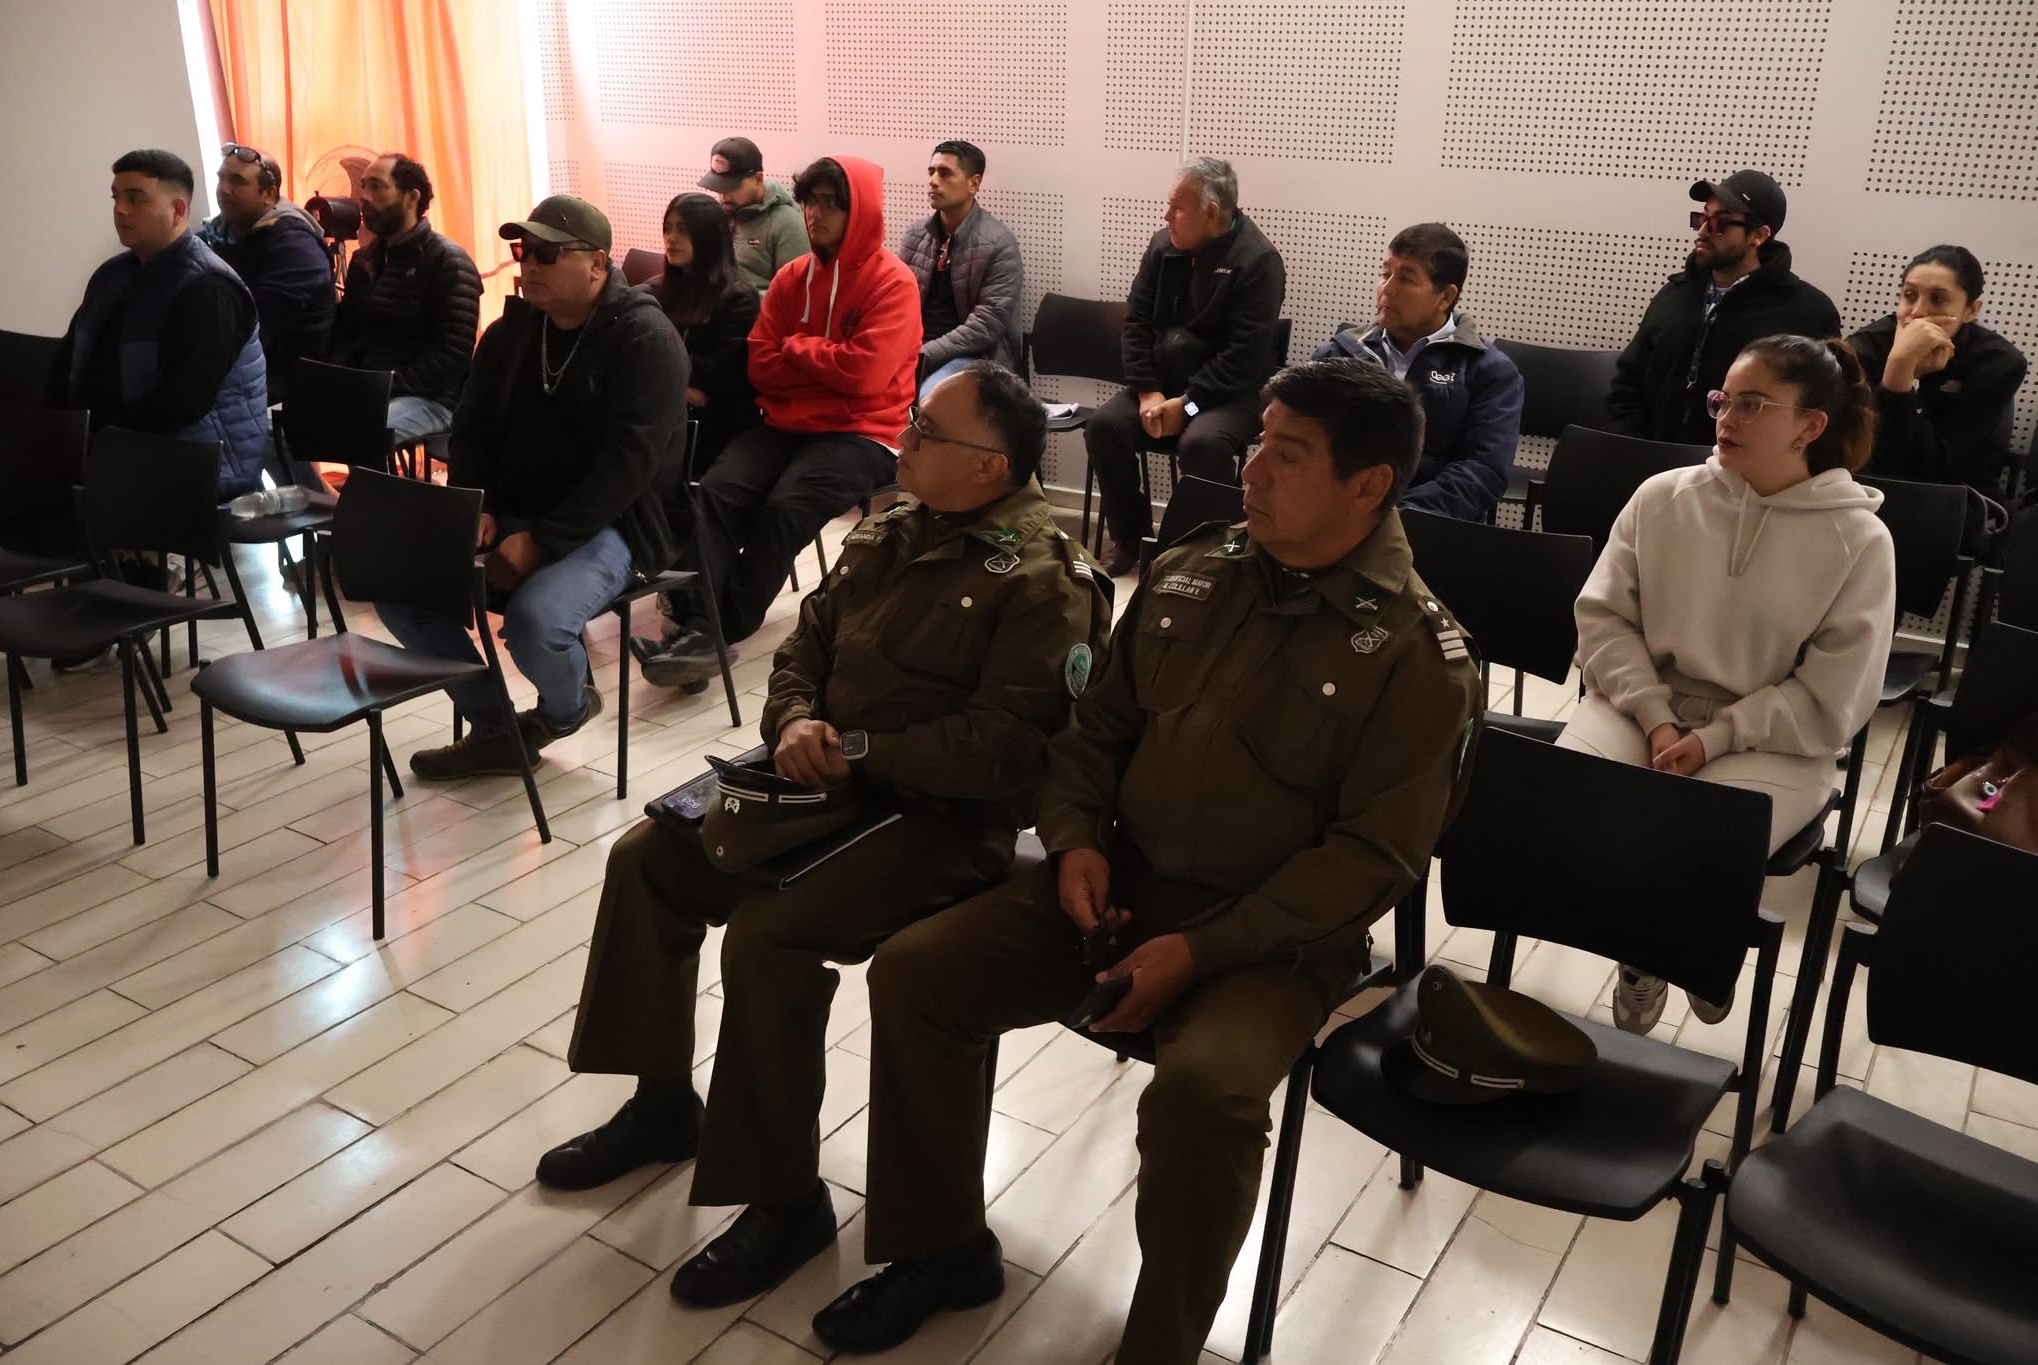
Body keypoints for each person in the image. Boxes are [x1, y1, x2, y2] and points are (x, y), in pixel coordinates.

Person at [818, 360, 1484, 1361]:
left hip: (1270, 943)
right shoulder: (1193, 570)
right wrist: (1077, 839)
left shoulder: (1415, 653)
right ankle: (939, 1247)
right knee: (920, 973)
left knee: (1204, 1093)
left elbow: (1371, 860)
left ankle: (1159, 1346)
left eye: (1286, 455)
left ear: (1367, 486)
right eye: (1257, 441)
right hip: (1115, 888)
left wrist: (1202, 950)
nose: (1249, 470)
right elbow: (1093, 731)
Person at [536, 366, 1113, 1320]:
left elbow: (1008, 755)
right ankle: (662, 1100)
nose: (905, 437)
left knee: (772, 935)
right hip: (817, 776)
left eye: (927, 428)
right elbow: (800, 646)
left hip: (940, 821)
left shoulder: (1048, 580)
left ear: (991, 466)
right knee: (649, 859)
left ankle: (783, 1199)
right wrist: (798, 717)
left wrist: (850, 745)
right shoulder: (890, 529)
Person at [1563, 335, 1896, 1034]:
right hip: (1640, 705)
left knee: (1692, 844)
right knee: (1570, 807)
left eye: (1753, 404)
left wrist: (1717, 737)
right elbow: (1603, 617)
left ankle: (1678, 947)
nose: (1726, 417)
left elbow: (1834, 695)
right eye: (1724, 399)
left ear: (1811, 426)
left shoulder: (1860, 540)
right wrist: (1657, 718)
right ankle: (1661, 946)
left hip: (1774, 740)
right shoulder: (1664, 496)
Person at [376, 196, 684, 779]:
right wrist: (476, 501)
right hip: (513, 508)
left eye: (547, 253)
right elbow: (471, 427)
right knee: (399, 592)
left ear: (597, 264)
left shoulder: (645, 338)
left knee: (535, 623)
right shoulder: (513, 330)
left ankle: (563, 712)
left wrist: (542, 542)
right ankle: (496, 726)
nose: (529, 265)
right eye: (524, 251)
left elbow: (628, 466)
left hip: (612, 525)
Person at [641, 156, 923, 689]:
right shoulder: (794, 278)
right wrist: (823, 359)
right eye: (808, 202)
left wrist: (797, 350)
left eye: (828, 203)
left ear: (857, 209)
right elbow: (760, 366)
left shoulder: (894, 283)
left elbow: (864, 377)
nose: (814, 214)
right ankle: (704, 633)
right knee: (714, 493)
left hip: (864, 431)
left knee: (786, 506)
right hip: (786, 422)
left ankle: (715, 632)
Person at [1085, 158, 1287, 576]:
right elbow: (1136, 323)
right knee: (1105, 426)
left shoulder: (1259, 261)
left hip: (1231, 393)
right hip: (1160, 384)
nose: (1166, 215)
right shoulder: (1163, 246)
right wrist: (1147, 392)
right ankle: (1130, 539)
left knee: (1202, 445)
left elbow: (1244, 357)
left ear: (1211, 213)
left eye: (1177, 207)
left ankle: (1201, 556)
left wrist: (1188, 405)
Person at [54, 149, 270, 501]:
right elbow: (70, 358)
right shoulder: (113, 275)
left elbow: (185, 402)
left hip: (194, 459)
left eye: (135, 199)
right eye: (116, 197)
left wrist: (102, 440)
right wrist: (60, 432)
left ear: (178, 211)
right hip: (121, 448)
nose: (120, 209)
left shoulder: (208, 286)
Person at [1607, 171, 1840, 446]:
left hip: (1746, 478)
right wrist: (1632, 449)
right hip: (1655, 468)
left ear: (1759, 235)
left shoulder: (1807, 312)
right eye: (1702, 218)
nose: (1704, 230)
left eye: (1719, 223)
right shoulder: (1673, 296)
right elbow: (1626, 385)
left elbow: (1820, 411)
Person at [1313, 222, 1523, 522]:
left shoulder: (1489, 371)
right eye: (1386, 273)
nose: (1387, 289)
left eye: (1406, 279)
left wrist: (1393, 517)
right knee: (1234, 548)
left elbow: (1482, 472)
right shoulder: (1339, 354)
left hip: (1425, 528)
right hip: (1333, 516)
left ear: (1446, 297)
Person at [1847, 244, 2028, 496]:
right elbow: (1857, 451)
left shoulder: (1997, 362)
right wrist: (1901, 367)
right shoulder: (1866, 346)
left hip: (1950, 498)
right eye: (1909, 295)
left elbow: (1933, 466)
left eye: (1938, 299)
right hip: (1862, 488)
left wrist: (1900, 372)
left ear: (1970, 310)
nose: (1918, 311)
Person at [330, 152, 481, 445]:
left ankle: (366, 492)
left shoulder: (447, 261)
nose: (363, 196)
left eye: (376, 186)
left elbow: (453, 356)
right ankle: (316, 492)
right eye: (363, 186)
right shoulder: (366, 260)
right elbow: (346, 333)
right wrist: (337, 380)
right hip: (371, 391)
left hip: (434, 398)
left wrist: (381, 387)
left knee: (351, 432)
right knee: (277, 425)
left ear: (411, 197)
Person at [198, 143, 334, 403]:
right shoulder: (214, 237)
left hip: (288, 384)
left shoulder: (296, 248)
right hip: (240, 373)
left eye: (237, 181)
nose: (223, 189)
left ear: (269, 195)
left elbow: (257, 330)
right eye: (221, 178)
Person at [639, 192, 762, 478]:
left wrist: (659, 378)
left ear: (708, 235)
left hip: (717, 424)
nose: (671, 238)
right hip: (664, 412)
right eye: (668, 228)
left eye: (683, 229)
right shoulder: (653, 291)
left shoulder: (738, 297)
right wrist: (678, 388)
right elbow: (632, 355)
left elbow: (722, 374)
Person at [897, 140, 1024, 393]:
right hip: (916, 348)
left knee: (928, 397)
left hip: (976, 359)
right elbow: (896, 301)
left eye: (945, 173)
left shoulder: (999, 243)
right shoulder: (915, 235)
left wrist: (923, 354)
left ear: (973, 184)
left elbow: (985, 325)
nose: (933, 181)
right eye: (931, 172)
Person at [699, 137, 811, 294]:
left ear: (758, 179)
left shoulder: (788, 223)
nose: (724, 196)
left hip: (757, 315)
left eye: (731, 187)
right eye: (718, 187)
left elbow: (795, 293)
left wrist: (739, 303)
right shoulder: (720, 215)